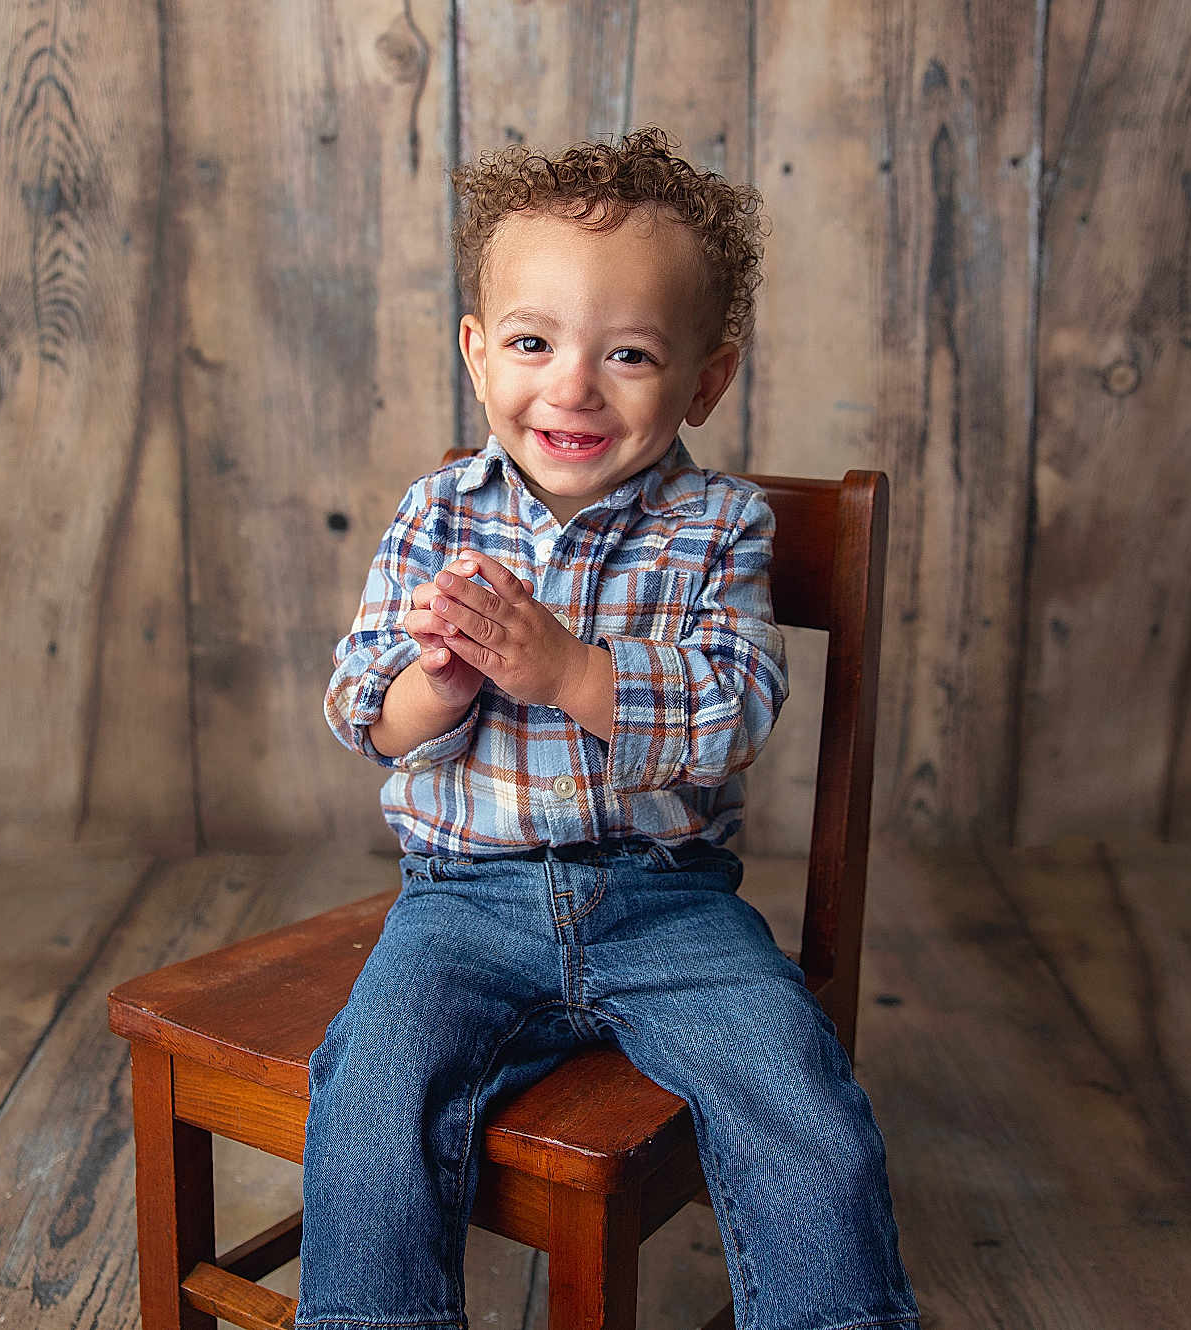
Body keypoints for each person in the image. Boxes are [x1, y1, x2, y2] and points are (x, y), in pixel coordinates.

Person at [299, 128, 920, 1330]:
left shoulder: (719, 527)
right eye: (533, 342)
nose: (573, 385)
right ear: (478, 357)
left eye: (627, 352)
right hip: (459, 901)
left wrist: (570, 670)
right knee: (370, 1093)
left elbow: (735, 706)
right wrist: (442, 682)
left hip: (664, 899)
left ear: (705, 380)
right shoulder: (436, 514)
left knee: (801, 1101)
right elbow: (361, 714)